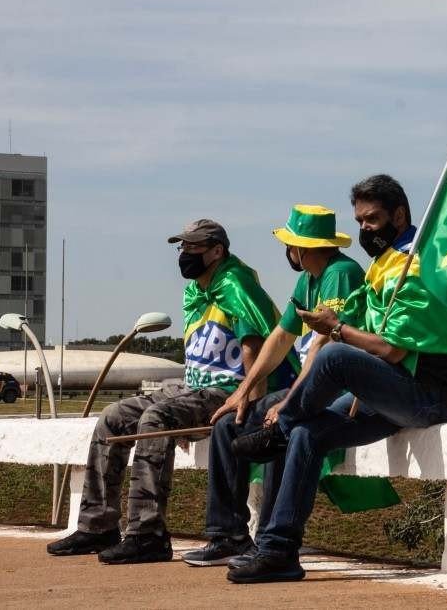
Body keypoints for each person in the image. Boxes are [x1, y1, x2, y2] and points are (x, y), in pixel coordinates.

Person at [227, 174, 447, 584]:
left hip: (429, 394)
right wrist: (336, 329)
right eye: (360, 220)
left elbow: (391, 350)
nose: (365, 228)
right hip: (392, 393)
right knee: (308, 433)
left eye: (372, 219)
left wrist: (337, 329)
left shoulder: (417, 264)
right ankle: (277, 551)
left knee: (335, 357)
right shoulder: (384, 264)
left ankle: (278, 431)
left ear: (400, 216)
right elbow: (341, 330)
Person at [47, 220, 287, 564]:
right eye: (182, 247)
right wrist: (183, 405)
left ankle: (148, 534)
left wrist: (251, 400)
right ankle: (97, 524)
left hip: (227, 390)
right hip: (194, 387)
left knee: (156, 417)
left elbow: (254, 344)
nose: (184, 254)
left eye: (193, 247)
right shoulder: (196, 291)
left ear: (217, 251)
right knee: (113, 417)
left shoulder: (236, 285)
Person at [182, 205, 365, 566]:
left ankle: (268, 538)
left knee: (279, 426)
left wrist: (291, 400)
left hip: (337, 388)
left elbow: (323, 345)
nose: (287, 252)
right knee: (227, 423)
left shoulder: (340, 274)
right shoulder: (308, 279)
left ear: (302, 248)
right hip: (311, 386)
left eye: (289, 245)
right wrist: (242, 392)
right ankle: (227, 534)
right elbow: (280, 337)